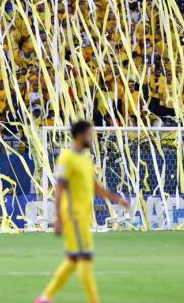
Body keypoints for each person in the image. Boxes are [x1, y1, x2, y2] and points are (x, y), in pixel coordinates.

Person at [35, 121, 130, 303]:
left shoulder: (85, 160)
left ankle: (45, 298)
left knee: (72, 259)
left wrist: (118, 200)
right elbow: (59, 189)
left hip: (84, 217)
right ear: (80, 135)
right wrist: (59, 218)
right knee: (85, 258)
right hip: (73, 216)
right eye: (89, 134)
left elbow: (95, 188)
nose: (92, 137)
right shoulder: (66, 158)